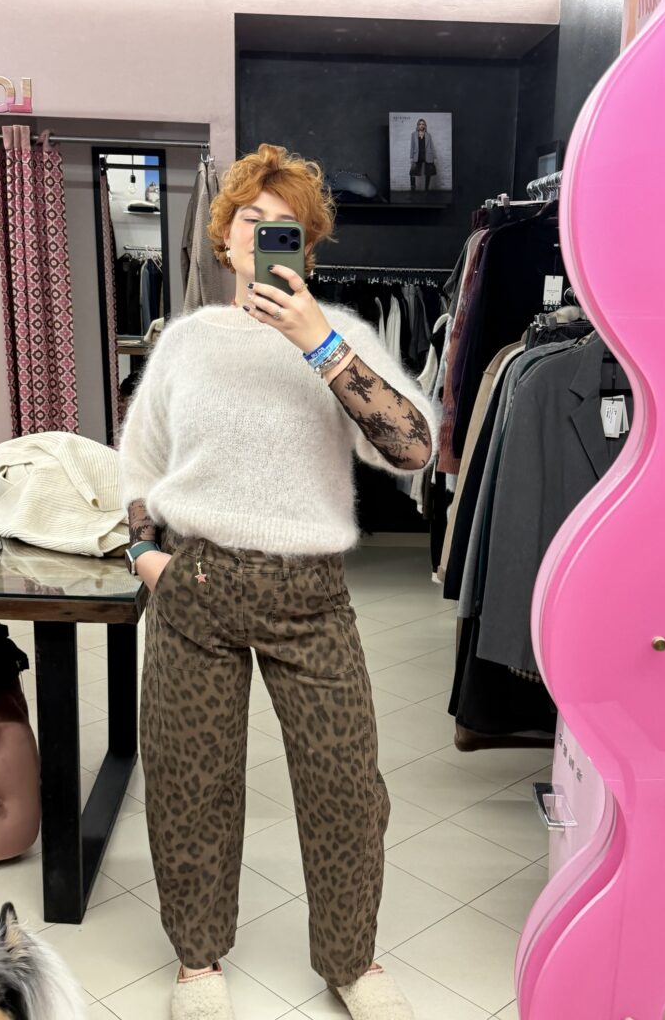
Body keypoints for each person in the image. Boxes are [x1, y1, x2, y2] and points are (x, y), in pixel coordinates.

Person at [118, 143, 436, 1020]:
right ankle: (197, 961)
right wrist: (145, 556)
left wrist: (317, 343)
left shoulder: (343, 336)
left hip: (311, 595)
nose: (264, 236)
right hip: (197, 582)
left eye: (285, 225)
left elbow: (413, 448)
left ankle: (351, 961)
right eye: (251, 220)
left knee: (346, 789)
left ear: (309, 245)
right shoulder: (185, 344)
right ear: (224, 238)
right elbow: (138, 464)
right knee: (190, 783)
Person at [409, 118, 437, 192]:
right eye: (420, 124)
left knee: (428, 173)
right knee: (412, 172)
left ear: (425, 126)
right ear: (418, 125)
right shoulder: (413, 134)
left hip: (427, 155)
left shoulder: (428, 135)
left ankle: (426, 189)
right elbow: (412, 146)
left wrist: (434, 157)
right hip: (417, 156)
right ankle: (413, 188)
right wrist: (411, 157)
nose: (421, 125)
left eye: (423, 124)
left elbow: (431, 146)